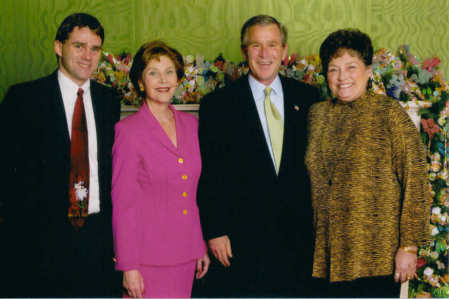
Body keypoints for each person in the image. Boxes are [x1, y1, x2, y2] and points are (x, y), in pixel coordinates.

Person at [195, 15, 319, 297]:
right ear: (244, 51)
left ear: (284, 50)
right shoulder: (218, 105)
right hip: (241, 240)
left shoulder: (309, 98)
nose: (265, 54)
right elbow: (209, 173)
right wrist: (214, 230)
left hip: (298, 239)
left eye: (272, 45)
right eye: (256, 46)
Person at [0, 13, 121, 297]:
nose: (87, 56)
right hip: (39, 238)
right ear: (58, 47)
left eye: (95, 48)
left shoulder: (109, 101)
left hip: (96, 237)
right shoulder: (23, 99)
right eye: (79, 45)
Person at [305, 29, 431, 298]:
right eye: (333, 69)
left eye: (351, 67)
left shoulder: (389, 114)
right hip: (326, 255)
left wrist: (409, 247)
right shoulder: (317, 115)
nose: (342, 77)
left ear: (368, 70)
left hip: (376, 255)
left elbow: (416, 181)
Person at [112, 40, 209, 298]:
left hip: (186, 255)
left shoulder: (191, 125)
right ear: (141, 82)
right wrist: (128, 266)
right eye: (153, 72)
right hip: (146, 261)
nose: (163, 79)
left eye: (169, 72)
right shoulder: (128, 132)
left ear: (178, 79)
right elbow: (124, 204)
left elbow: (192, 193)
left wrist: (199, 244)